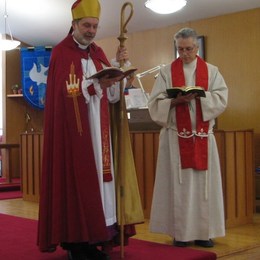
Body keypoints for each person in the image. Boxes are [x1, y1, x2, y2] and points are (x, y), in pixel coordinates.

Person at [37, 0, 143, 259]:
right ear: (74, 24)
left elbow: (114, 98)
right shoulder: (61, 53)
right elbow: (64, 94)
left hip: (101, 133)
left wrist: (120, 77)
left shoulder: (98, 53)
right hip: (76, 136)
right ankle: (77, 243)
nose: (91, 30)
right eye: (86, 25)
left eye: (95, 26)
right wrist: (94, 86)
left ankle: (99, 237)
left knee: (103, 185)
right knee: (80, 184)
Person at [148, 27, 228, 248]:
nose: (184, 54)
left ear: (197, 47)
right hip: (175, 139)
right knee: (179, 188)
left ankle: (204, 233)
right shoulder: (166, 72)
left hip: (202, 137)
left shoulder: (211, 71)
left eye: (189, 49)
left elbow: (221, 98)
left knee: (204, 189)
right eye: (180, 49)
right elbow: (154, 103)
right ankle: (180, 233)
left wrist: (200, 97)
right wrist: (176, 100)